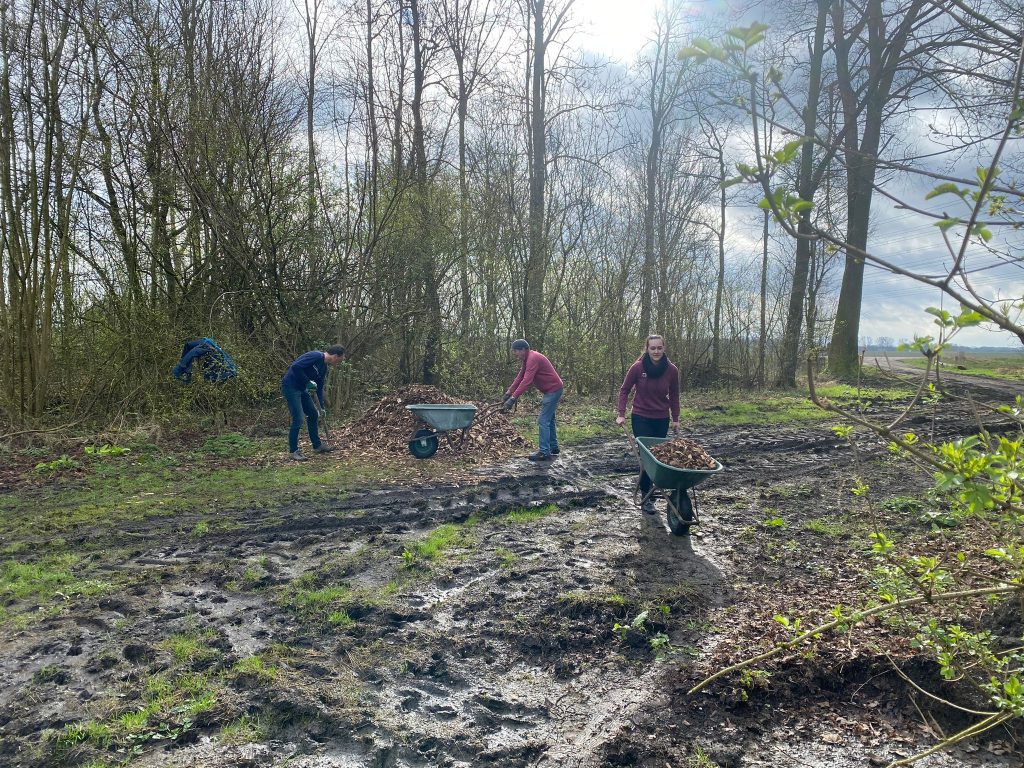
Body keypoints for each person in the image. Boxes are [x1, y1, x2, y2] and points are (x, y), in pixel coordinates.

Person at [616, 334, 681, 513]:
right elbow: (624, 390)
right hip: (641, 417)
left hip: (661, 418)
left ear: (664, 348)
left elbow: (675, 395)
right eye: (652, 348)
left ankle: (652, 490)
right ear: (647, 349)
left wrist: (675, 419)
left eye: (659, 348)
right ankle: (647, 496)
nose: (656, 351)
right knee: (647, 457)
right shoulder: (637, 368)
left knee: (658, 458)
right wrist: (621, 414)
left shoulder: (671, 370)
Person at [281, 345, 346, 461]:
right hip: (290, 386)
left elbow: (319, 388)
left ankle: (317, 446)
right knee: (299, 418)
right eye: (339, 360)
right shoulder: (315, 356)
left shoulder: (324, 367)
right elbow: (296, 367)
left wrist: (321, 407)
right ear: (335, 356)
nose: (338, 363)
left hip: (302, 389)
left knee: (313, 414)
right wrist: (307, 381)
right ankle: (293, 451)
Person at [503, 339, 564, 461]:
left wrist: (513, 398)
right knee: (549, 420)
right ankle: (554, 447)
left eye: (515, 351)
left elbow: (526, 381)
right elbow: (520, 377)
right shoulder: (527, 359)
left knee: (543, 420)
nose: (514, 354)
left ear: (523, 350)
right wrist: (509, 392)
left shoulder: (532, 358)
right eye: (513, 351)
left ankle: (544, 452)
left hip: (553, 390)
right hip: (551, 390)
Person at [172, 338, 237, 383]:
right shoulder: (206, 348)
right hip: (208, 346)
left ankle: (185, 373)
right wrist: (180, 369)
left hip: (208, 346)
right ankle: (185, 373)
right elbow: (192, 352)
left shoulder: (209, 350)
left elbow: (191, 351)